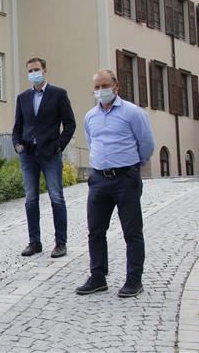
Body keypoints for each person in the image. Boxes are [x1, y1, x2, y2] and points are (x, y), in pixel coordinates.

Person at [76, 69, 154, 298]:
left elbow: (146, 143)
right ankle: (98, 277)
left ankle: (133, 280)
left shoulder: (132, 113)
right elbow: (92, 141)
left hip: (125, 179)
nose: (101, 91)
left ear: (116, 86)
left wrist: (131, 165)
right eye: (97, 87)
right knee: (96, 230)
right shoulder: (90, 116)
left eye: (105, 86)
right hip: (99, 179)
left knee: (132, 231)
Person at [12, 57, 76, 258]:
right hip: (29, 154)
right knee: (31, 199)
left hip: (50, 153)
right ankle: (34, 242)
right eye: (30, 71)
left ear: (45, 70)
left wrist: (58, 145)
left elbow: (70, 124)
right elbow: (17, 127)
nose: (33, 73)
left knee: (56, 197)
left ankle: (60, 242)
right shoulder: (23, 97)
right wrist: (18, 145)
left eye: (36, 69)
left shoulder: (58, 94)